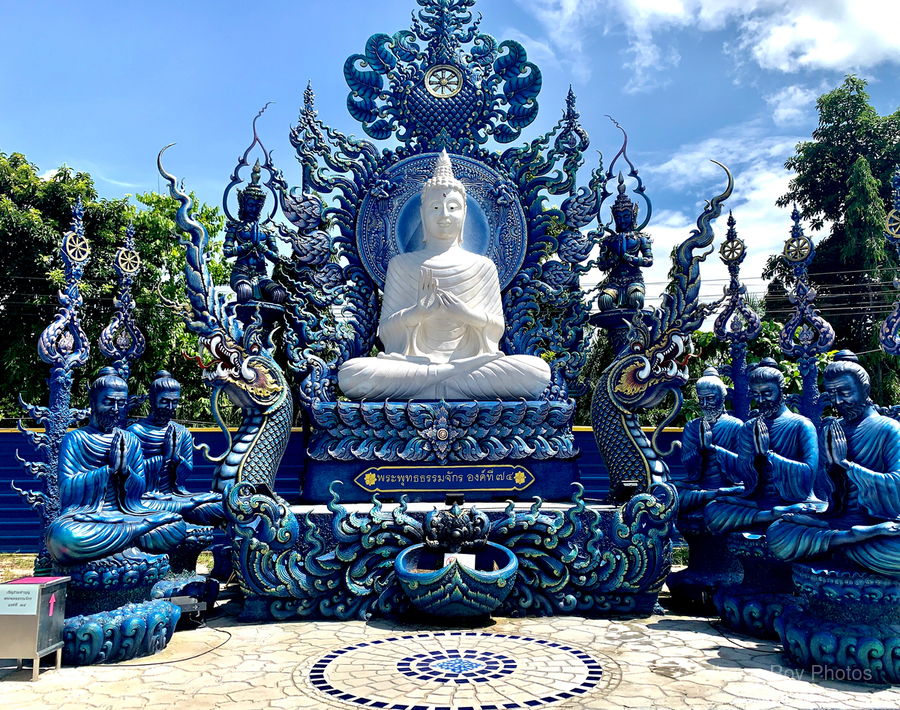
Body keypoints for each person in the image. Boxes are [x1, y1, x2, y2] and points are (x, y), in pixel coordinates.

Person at [338, 150, 551, 400]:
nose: (444, 215)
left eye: (452, 207)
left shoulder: (482, 266)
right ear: (422, 214)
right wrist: (416, 313)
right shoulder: (401, 265)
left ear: (464, 215)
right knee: (352, 373)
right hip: (414, 366)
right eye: (435, 207)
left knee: (536, 372)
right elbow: (385, 332)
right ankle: (447, 382)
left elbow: (497, 329)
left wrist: (468, 315)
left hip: (469, 365)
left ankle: (438, 382)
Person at [768, 352, 900, 577]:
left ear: (865, 390)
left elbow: (896, 486)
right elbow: (831, 495)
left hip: (882, 526)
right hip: (844, 522)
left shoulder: (889, 429)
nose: (838, 402)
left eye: (845, 393)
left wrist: (846, 465)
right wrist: (834, 470)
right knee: (777, 532)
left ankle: (844, 540)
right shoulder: (833, 430)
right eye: (832, 394)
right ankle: (852, 537)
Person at [45, 368, 187, 567]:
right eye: (109, 401)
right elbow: (66, 488)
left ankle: (130, 535)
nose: (115, 408)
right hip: (88, 519)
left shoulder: (129, 440)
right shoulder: (75, 438)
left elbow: (140, 491)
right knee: (62, 538)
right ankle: (134, 536)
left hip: (126, 514)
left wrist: (126, 472)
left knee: (176, 525)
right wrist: (107, 471)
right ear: (92, 403)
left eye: (121, 403)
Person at [704, 359, 823, 535]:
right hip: (758, 501)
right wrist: (755, 458)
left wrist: (769, 455)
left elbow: (808, 474)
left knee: (806, 515)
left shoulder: (802, 425)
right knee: (713, 509)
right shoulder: (749, 427)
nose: (760, 400)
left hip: (793, 501)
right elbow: (742, 475)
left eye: (767, 393)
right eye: (756, 394)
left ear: (781, 392)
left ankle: (779, 515)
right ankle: (772, 516)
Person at [128, 371, 223, 526]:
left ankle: (182, 512)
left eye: (175, 402)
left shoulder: (181, 432)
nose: (170, 407)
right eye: (164, 401)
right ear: (152, 400)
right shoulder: (135, 432)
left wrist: (176, 459)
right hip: (146, 499)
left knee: (219, 507)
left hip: (175, 496)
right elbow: (131, 477)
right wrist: (163, 458)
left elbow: (186, 471)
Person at [677, 368, 744, 514]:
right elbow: (687, 465)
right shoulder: (691, 426)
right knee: (665, 492)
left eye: (710, 398)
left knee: (743, 494)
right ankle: (712, 495)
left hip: (728, 486)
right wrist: (700, 450)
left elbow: (743, 464)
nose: (705, 404)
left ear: (722, 397)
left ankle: (714, 496)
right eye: (701, 399)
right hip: (699, 487)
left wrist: (713, 449)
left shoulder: (735, 425)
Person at [223, 160, 286, 305]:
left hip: (262, 276)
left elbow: (276, 258)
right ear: (243, 204)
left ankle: (265, 325)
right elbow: (227, 251)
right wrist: (249, 245)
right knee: (245, 292)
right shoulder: (236, 227)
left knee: (278, 294)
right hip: (241, 273)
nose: (254, 209)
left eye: (258, 206)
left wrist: (261, 247)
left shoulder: (267, 230)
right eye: (250, 205)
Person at [596, 174, 653, 312]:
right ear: (614, 218)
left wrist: (630, 258)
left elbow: (649, 260)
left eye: (626, 216)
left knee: (636, 299)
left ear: (632, 215)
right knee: (604, 301)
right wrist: (614, 259)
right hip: (614, 282)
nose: (622, 220)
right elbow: (601, 265)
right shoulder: (608, 241)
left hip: (634, 279)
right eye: (619, 217)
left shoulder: (641, 238)